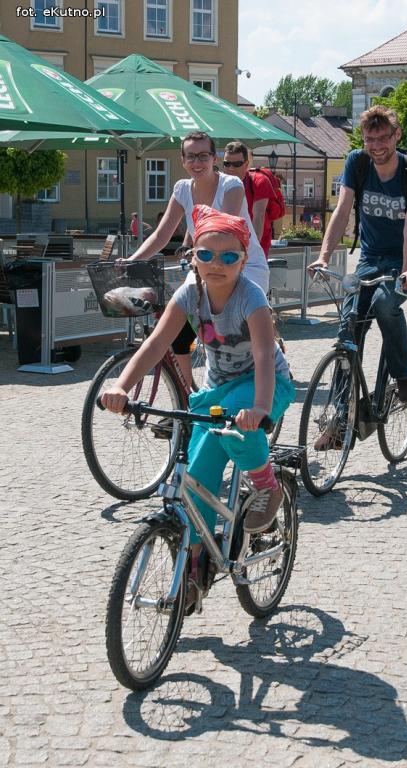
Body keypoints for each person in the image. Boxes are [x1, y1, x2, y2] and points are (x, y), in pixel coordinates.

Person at [101, 205, 295, 609]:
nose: (216, 264)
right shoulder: (190, 292)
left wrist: (260, 409)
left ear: (244, 259)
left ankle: (266, 485)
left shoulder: (251, 298)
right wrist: (121, 385)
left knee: (242, 429)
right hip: (218, 390)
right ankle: (192, 572)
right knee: (197, 484)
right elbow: (156, 344)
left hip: (263, 386)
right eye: (206, 255)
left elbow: (263, 356)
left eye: (229, 256)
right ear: (193, 258)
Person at [308, 105, 407, 446]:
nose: (377, 145)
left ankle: (405, 375)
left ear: (397, 136)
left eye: (383, 137)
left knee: (383, 303)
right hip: (371, 256)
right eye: (370, 139)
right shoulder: (357, 163)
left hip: (406, 257)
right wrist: (323, 257)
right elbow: (342, 210)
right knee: (348, 326)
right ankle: (339, 417)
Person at [127, 131, 269, 389]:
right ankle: (188, 396)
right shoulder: (182, 189)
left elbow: (221, 231)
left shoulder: (231, 186)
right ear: (182, 160)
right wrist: (132, 260)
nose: (197, 162)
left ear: (214, 158)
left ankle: (260, 375)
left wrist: (196, 256)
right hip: (206, 263)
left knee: (232, 336)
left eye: (203, 156)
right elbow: (161, 234)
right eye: (191, 156)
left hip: (241, 265)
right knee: (179, 332)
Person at [222, 140, 277, 257]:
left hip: (256, 244)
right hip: (227, 244)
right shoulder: (219, 184)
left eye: (236, 164)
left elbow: (259, 215)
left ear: (246, 164)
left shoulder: (259, 181)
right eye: (227, 164)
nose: (231, 168)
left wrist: (250, 249)